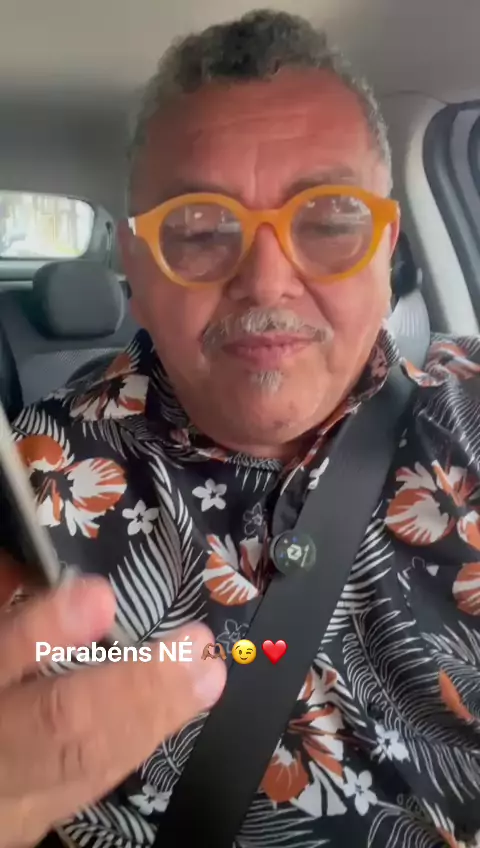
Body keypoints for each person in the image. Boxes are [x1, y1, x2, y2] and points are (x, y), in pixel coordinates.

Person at [1, 8, 480, 848]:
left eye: (328, 219)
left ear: (386, 247)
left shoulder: (467, 417)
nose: (266, 279)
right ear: (134, 266)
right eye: (199, 229)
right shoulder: (32, 485)